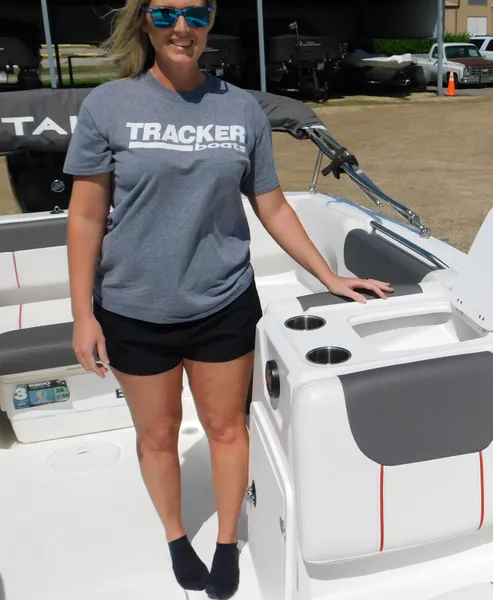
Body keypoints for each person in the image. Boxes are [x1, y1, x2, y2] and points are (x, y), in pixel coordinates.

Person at [62, 1, 393, 599]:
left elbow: (272, 205)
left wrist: (328, 275)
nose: (181, 28)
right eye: (166, 14)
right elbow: (85, 215)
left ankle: (225, 540)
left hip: (223, 302)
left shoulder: (240, 109)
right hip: (133, 308)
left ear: (211, 22)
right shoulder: (107, 106)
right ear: (144, 21)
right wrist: (83, 313)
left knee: (226, 427)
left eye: (196, 14)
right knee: (157, 435)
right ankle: (175, 537)